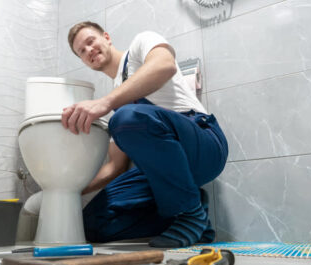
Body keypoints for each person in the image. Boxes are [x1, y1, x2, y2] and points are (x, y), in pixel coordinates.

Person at [61, 21, 228, 248]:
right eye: (81, 51)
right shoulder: (117, 105)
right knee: (93, 222)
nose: (89, 50)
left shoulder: (141, 44)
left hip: (204, 146)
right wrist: (70, 189)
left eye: (91, 41)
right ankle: (194, 212)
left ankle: (188, 213)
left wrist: (105, 103)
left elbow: (165, 65)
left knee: (127, 119)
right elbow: (115, 167)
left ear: (107, 38)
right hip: (161, 172)